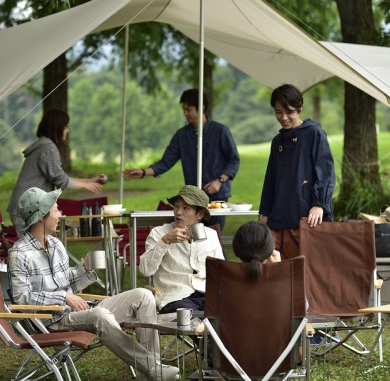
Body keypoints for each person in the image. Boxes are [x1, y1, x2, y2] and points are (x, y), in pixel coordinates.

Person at [7, 187, 180, 381]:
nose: (60, 215)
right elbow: (22, 298)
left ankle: (146, 371)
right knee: (100, 315)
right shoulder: (19, 253)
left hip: (72, 311)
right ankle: (154, 369)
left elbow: (68, 284)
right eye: (56, 210)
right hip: (50, 321)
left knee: (143, 296)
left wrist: (85, 271)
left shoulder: (56, 245)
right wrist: (63, 297)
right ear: (41, 217)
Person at [122, 89, 240, 231]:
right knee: (191, 239)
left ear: (201, 107)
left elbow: (234, 160)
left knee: (213, 237)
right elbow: (166, 161)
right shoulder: (181, 135)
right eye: (183, 109)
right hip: (191, 199)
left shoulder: (221, 131)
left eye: (188, 109)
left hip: (217, 197)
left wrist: (220, 180)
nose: (185, 113)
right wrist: (142, 172)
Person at [208, 221, 284, 381]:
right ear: (270, 249)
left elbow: (212, 317)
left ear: (237, 249)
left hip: (230, 356)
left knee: (222, 333)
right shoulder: (284, 280)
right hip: (279, 355)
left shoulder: (225, 280)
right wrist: (279, 272)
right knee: (277, 328)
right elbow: (302, 310)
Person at [259, 83, 335, 259]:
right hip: (277, 220)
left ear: (300, 109)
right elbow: (271, 178)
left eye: (289, 112)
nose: (284, 117)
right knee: (276, 272)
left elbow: (326, 172)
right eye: (278, 112)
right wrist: (265, 212)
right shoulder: (277, 141)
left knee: (305, 272)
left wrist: (319, 204)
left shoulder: (314, 133)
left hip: (306, 218)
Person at [8, 108, 106, 234]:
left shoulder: (44, 145)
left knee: (38, 248)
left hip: (27, 206)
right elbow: (60, 180)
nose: (67, 130)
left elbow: (60, 176)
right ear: (57, 127)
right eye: (66, 127)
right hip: (27, 208)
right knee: (33, 250)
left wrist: (90, 181)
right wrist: (87, 185)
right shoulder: (47, 148)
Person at [139, 185, 224, 315]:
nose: (178, 212)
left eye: (186, 208)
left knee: (233, 311)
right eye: (177, 206)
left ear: (200, 214)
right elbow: (145, 270)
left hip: (207, 295)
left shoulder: (210, 235)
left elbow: (220, 271)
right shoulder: (159, 233)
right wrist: (165, 241)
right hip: (175, 298)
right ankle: (209, 334)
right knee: (197, 318)